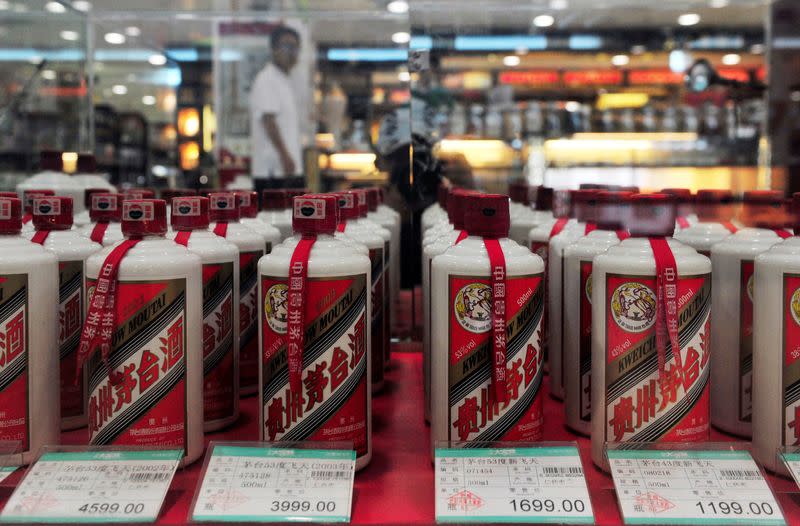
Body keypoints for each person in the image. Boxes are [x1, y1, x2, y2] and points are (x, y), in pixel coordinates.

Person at [249, 25, 304, 192]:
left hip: (286, 170)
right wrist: (285, 156)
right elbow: (269, 121)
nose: (291, 51)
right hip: (273, 172)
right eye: (286, 46)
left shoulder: (285, 80)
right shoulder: (266, 79)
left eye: (295, 47)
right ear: (273, 49)